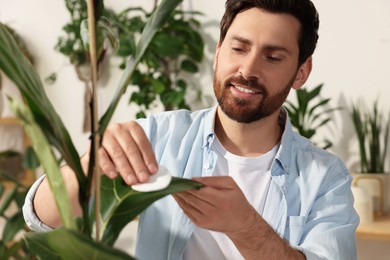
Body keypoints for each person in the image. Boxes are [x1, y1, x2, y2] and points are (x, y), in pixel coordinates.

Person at [23, 0, 359, 259]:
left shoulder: (326, 178)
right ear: (217, 53)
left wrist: (245, 227)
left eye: (273, 57)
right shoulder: (157, 136)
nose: (248, 69)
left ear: (301, 72)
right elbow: (40, 218)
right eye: (238, 48)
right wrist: (93, 165)